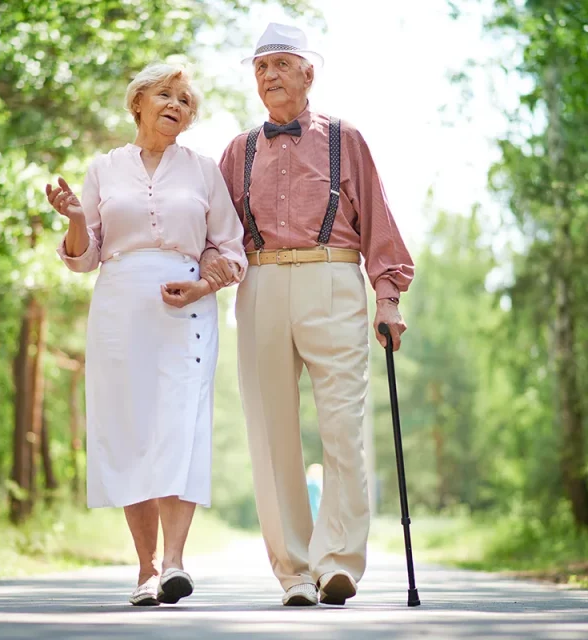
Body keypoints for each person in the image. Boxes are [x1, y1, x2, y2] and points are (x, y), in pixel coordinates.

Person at [200, 22, 414, 606]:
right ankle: (294, 570)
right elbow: (219, 235)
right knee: (271, 432)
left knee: (343, 425)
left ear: (308, 74)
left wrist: (388, 299)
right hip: (262, 283)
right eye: (260, 68)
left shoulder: (347, 140)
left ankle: (338, 563)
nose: (268, 76)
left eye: (280, 65)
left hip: (333, 277)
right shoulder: (236, 151)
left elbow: (379, 224)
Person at [47, 62, 247, 607]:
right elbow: (83, 257)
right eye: (166, 94)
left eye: (185, 101)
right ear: (139, 102)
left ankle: (177, 564)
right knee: (131, 430)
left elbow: (232, 248)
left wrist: (204, 285)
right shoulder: (104, 169)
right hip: (118, 307)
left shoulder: (204, 171)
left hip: (186, 307)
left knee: (180, 426)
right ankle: (145, 570)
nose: (176, 105)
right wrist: (72, 218)